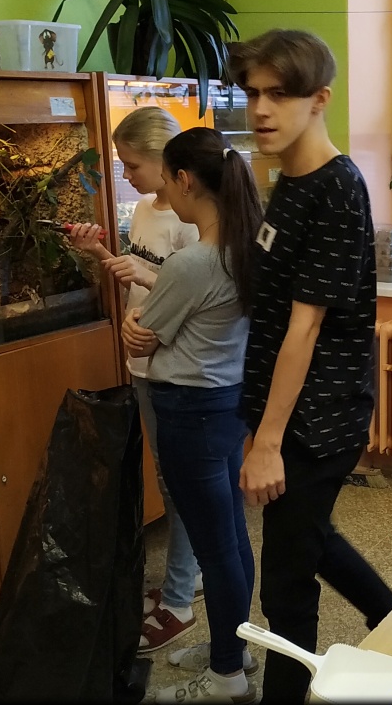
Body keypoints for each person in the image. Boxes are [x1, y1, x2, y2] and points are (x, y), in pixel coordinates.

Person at [217, 28, 392, 703]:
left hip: (318, 418)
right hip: (286, 408)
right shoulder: (289, 180)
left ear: (319, 99)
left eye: (280, 94)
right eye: (252, 93)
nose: (261, 109)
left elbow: (305, 328)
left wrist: (267, 443)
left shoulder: (335, 187)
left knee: (287, 585)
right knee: (310, 539)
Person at [123, 127, 262, 703]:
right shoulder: (247, 248)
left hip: (189, 411)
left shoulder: (192, 262)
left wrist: (136, 326)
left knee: (215, 547)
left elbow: (145, 337)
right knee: (231, 535)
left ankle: (227, 675)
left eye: (165, 179)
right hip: (228, 403)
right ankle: (236, 647)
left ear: (184, 180)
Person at [67, 105, 203, 655]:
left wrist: (144, 277)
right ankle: (190, 575)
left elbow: (194, 299)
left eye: (133, 165)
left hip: (176, 367)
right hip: (143, 363)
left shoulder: (193, 222)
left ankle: (179, 598)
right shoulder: (145, 210)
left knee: (180, 485)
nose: (126, 176)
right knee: (169, 480)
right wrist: (99, 252)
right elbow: (140, 277)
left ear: (167, 161)